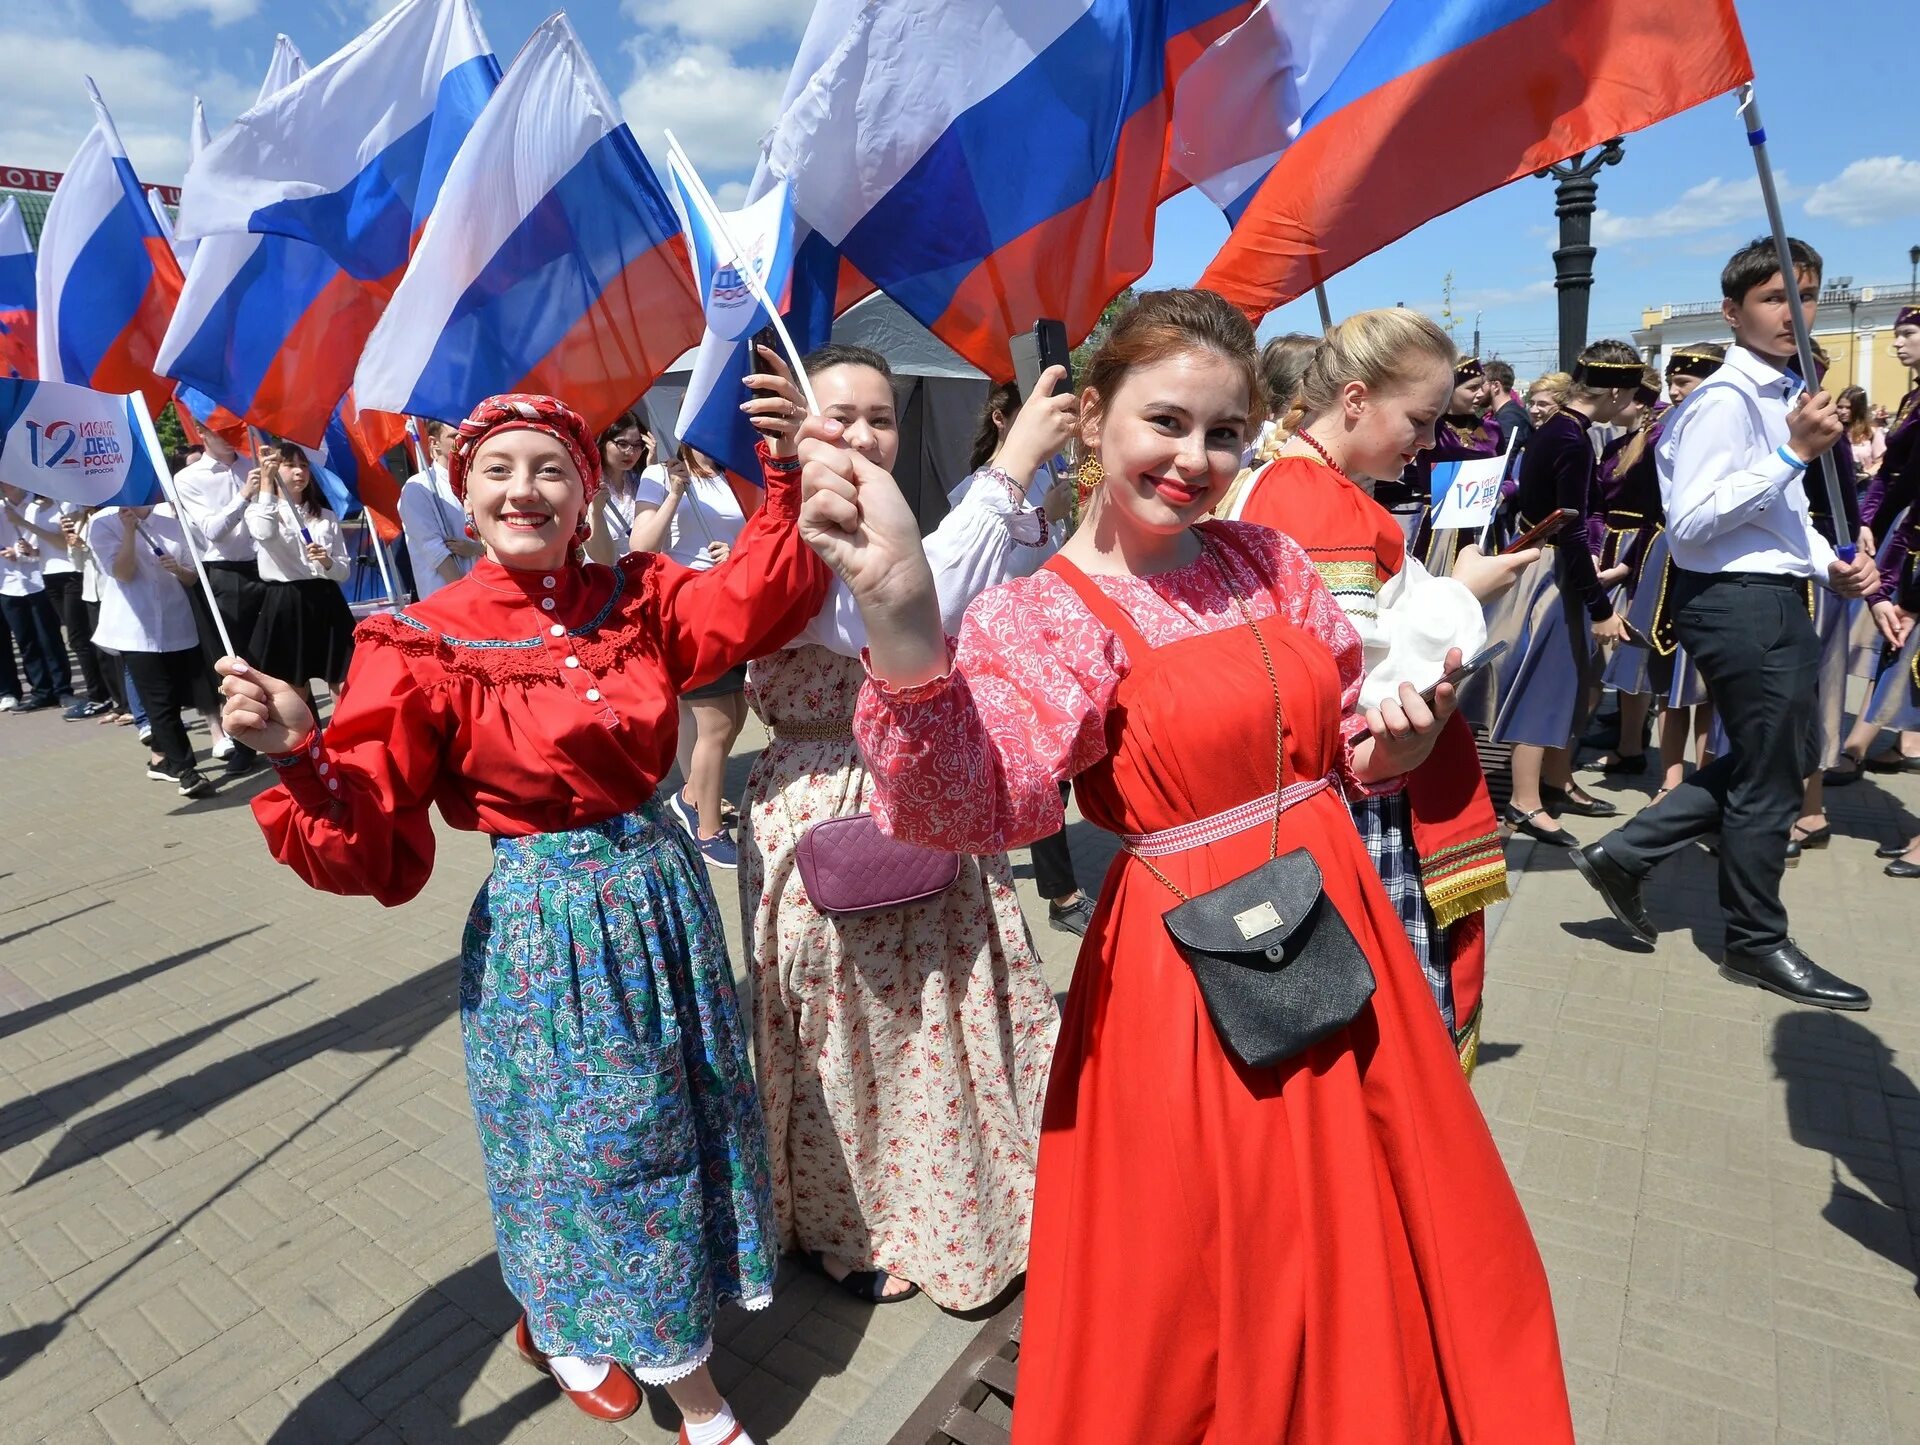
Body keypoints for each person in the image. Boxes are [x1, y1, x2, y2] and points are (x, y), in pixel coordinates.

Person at [809, 287, 1572, 1441]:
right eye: (1166, 422)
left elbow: (1346, 734)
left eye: (1224, 432)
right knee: (1234, 1263)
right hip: (1191, 972)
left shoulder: (1266, 557)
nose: (1196, 459)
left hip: (1339, 923)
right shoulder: (1041, 615)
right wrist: (907, 621)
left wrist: (1393, 745)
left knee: (1389, 1222)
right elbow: (977, 798)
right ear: (1093, 417)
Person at [218, 392, 830, 1442]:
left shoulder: (635, 594)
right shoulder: (421, 639)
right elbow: (372, 837)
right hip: (556, 931)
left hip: (663, 899)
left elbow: (752, 603)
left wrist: (784, 467)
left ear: (587, 488)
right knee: (605, 1145)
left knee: (669, 1120)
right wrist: (298, 752)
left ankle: (572, 1315)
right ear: (465, 496)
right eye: (498, 469)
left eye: (550, 468)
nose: (524, 490)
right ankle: (681, 1380)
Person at [740, 342, 1065, 1311]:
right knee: (849, 1028)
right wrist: (1009, 472)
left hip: (921, 787)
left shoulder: (901, 517)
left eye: (879, 415)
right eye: (837, 414)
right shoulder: (784, 534)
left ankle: (963, 1203)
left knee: (947, 1011)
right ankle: (849, 1227)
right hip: (821, 799)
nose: (863, 433)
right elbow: (883, 605)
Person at [1567, 237, 1880, 1010]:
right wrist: (1791, 452)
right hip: (1736, 602)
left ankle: (1625, 854)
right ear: (1734, 311)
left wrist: (1827, 564)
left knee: (1785, 753)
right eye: (1777, 298)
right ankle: (1756, 940)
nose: (1795, 312)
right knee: (1771, 776)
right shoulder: (1725, 400)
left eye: (1806, 295)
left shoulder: (1780, 394)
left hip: (1774, 594)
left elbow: (1785, 514)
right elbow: (1697, 525)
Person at [1235, 306, 1537, 1068]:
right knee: (1395, 1011)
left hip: (1313, 785)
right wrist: (1467, 591)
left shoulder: (1278, 480)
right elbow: (1361, 672)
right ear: (1357, 399)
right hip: (1362, 789)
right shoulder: (1317, 495)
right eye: (1421, 418)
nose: (1431, 440)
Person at [1487, 340, 1640, 846]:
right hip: (1555, 575)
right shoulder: (1572, 438)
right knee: (1546, 685)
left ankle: (1555, 782)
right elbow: (1571, 529)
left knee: (1566, 679)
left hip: (1550, 566)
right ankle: (1525, 802)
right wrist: (1598, 605)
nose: (1634, 402)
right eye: (1633, 392)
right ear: (1616, 390)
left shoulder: (1558, 427)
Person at [968, 381, 1093, 933]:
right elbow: (986, 572)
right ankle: (1061, 895)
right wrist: (1045, 512)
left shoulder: (1049, 473)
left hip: (1055, 638)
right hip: (1012, 650)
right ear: (1003, 419)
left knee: (1056, 770)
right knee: (1045, 772)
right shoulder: (975, 489)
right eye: (1041, 412)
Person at [1594, 345, 1725, 798]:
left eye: (1683, 382)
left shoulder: (1685, 434)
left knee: (1699, 678)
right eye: (1671, 381)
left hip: (1678, 553)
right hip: (1652, 551)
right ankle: (1660, 770)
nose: (1674, 390)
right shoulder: (1647, 439)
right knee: (1656, 664)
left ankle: (1700, 776)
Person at [632, 437, 752, 865]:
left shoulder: (734, 475)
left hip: (732, 604)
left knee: (735, 716)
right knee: (716, 724)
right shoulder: (660, 475)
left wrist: (740, 553)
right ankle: (707, 832)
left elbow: (757, 533)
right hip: (688, 610)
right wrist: (676, 494)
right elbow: (640, 546)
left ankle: (689, 796)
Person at [86, 503, 216, 798]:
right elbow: (122, 573)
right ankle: (187, 771)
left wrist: (178, 569)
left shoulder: (171, 523)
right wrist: (130, 531)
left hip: (175, 623)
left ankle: (161, 756)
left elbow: (192, 577)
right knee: (159, 700)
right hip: (135, 627)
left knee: (174, 696)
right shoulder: (103, 523)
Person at [168, 431, 262, 776]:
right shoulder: (189, 478)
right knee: (234, 661)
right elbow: (212, 530)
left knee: (276, 656)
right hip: (225, 574)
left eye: (233, 427)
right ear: (202, 433)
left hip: (267, 567)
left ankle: (299, 732)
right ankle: (244, 744)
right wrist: (245, 494)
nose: (230, 437)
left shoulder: (254, 463)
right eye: (220, 430)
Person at [245, 442, 356, 705]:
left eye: (304, 466)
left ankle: (346, 737)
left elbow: (343, 571)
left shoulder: (326, 515)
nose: (299, 472)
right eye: (290, 465)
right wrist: (266, 485)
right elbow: (263, 531)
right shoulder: (259, 509)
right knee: (293, 685)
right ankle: (305, 744)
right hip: (286, 600)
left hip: (326, 598)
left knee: (344, 679)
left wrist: (327, 562)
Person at [11, 494, 114, 718]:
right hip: (49, 576)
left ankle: (100, 695)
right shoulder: (35, 509)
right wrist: (28, 550)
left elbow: (62, 542)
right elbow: (40, 549)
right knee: (77, 640)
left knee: (81, 637)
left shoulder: (67, 502)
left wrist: (25, 524)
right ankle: (99, 692)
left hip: (71, 575)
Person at [1402, 356, 1503, 572]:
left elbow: (1509, 478)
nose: (1480, 394)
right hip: (1441, 527)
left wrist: (1503, 492)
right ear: (1450, 391)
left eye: (1481, 387)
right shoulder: (1433, 429)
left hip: (1482, 524)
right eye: (1472, 388)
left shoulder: (1492, 429)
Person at [0, 484, 74, 712]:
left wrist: (19, 553)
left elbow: (41, 544)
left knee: (49, 638)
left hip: (39, 579)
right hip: (9, 583)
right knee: (26, 642)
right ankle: (41, 691)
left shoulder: (37, 504)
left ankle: (62, 690)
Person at [398, 420, 482, 599]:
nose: (462, 441)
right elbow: (435, 551)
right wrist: (467, 596)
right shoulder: (418, 487)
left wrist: (476, 549)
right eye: (454, 436)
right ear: (434, 443)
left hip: (487, 592)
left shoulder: (478, 484)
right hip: (448, 600)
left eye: (466, 436)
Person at [582, 410, 656, 566]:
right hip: (600, 578)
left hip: (640, 577)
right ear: (603, 442)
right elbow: (599, 557)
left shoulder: (641, 482)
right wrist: (596, 511)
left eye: (638, 445)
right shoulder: (588, 486)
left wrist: (653, 472)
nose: (630, 452)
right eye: (622, 444)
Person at [1838, 386, 1885, 478]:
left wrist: (1867, 474)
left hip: (1862, 487)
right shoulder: (1832, 432)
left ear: (1859, 409)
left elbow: (1880, 461)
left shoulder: (1871, 433)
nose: (1843, 411)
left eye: (1848, 408)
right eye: (1840, 407)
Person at [1487, 357, 1532, 450]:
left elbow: (1506, 458)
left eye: (1480, 385)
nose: (1478, 391)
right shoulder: (1508, 413)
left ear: (1495, 386)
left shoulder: (1508, 418)